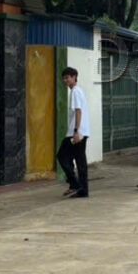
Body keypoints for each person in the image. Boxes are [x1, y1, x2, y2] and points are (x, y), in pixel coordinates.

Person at [58, 66, 91, 198]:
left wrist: (76, 131)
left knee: (62, 156)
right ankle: (82, 190)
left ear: (74, 77)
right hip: (81, 132)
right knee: (80, 161)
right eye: (64, 78)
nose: (65, 80)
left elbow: (78, 111)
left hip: (76, 133)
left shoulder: (75, 92)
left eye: (67, 77)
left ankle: (75, 184)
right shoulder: (77, 91)